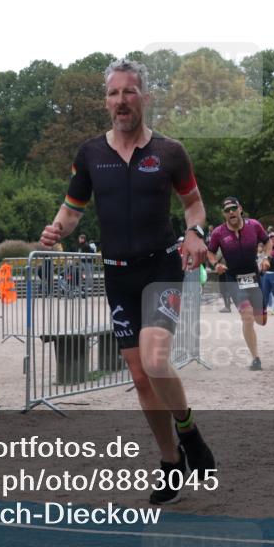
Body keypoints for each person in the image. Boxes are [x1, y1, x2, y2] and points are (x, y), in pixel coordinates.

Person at [38, 58, 214, 505]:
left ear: (145, 98)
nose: (121, 101)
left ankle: (189, 430)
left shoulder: (170, 152)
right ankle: (172, 462)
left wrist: (195, 233)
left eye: (129, 92)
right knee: (139, 378)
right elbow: (73, 208)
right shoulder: (90, 154)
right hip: (116, 274)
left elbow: (194, 205)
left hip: (162, 267)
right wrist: (58, 228)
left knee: (156, 361)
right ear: (106, 102)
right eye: (114, 94)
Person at [206, 196, 268, 371]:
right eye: (227, 210)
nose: (231, 212)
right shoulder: (219, 233)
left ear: (240, 208)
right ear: (224, 214)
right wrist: (216, 264)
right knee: (246, 316)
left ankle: (260, 313)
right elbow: (210, 253)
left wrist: (266, 258)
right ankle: (256, 358)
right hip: (233, 278)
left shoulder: (254, 226)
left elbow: (268, 241)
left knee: (260, 320)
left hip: (253, 277)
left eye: (233, 208)